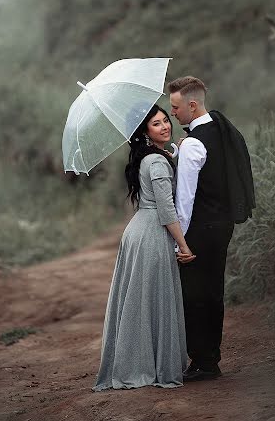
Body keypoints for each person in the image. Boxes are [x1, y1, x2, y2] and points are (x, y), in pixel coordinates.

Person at [93, 105, 195, 391]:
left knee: (140, 300)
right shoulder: (157, 162)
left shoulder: (148, 158)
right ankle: (146, 366)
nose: (165, 126)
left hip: (138, 230)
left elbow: (164, 171)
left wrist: (179, 149)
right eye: (156, 124)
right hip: (152, 233)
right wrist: (183, 245)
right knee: (152, 298)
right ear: (145, 132)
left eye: (166, 120)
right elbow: (167, 210)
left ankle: (137, 362)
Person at [168, 76, 255, 382]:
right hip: (223, 224)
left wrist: (181, 243)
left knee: (194, 294)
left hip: (200, 228)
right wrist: (181, 152)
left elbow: (185, 200)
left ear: (192, 105)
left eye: (177, 107)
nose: (173, 114)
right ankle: (209, 359)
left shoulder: (193, 142)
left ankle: (203, 361)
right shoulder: (219, 127)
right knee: (213, 290)